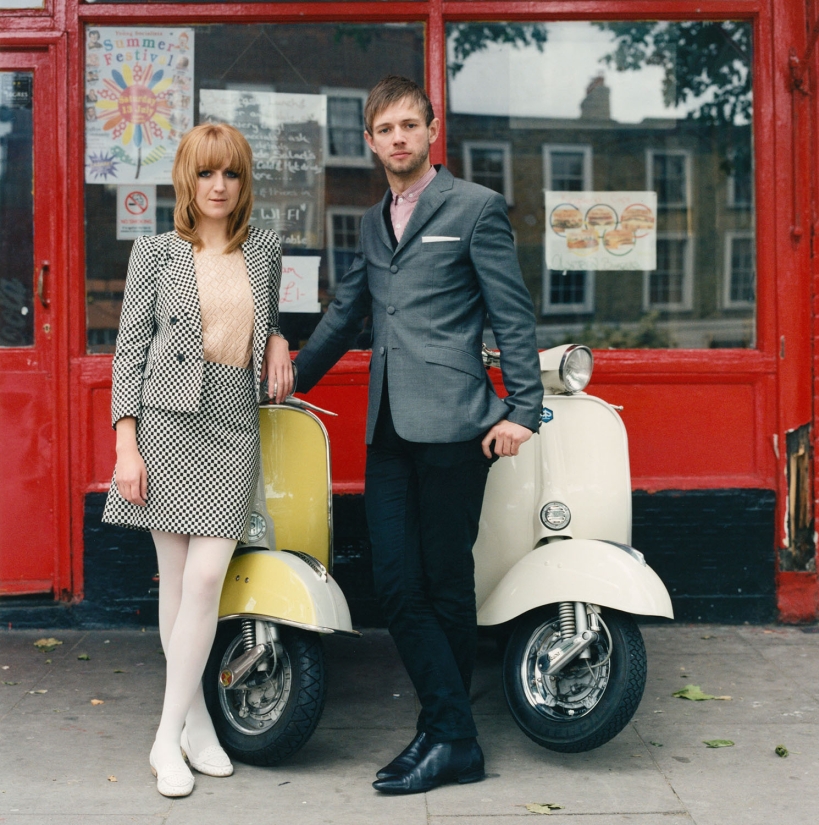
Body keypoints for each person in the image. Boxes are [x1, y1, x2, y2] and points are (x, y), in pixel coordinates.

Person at [293, 76, 543, 795]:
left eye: (409, 124)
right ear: (369, 141)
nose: (397, 138)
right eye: (384, 129)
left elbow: (511, 313)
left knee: (444, 583)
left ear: (432, 130)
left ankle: (445, 735)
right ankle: (453, 732)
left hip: (458, 424)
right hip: (388, 428)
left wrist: (521, 409)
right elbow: (345, 313)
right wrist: (287, 379)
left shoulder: (474, 208)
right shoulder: (372, 222)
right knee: (396, 583)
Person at [102, 123, 292, 798]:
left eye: (231, 174)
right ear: (187, 179)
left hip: (232, 422)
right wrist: (127, 444)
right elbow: (127, 351)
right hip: (166, 420)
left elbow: (261, 318)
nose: (218, 186)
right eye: (207, 173)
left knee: (208, 576)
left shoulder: (264, 247)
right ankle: (189, 728)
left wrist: (278, 339)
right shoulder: (155, 252)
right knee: (179, 581)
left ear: (243, 183)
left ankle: (170, 727)